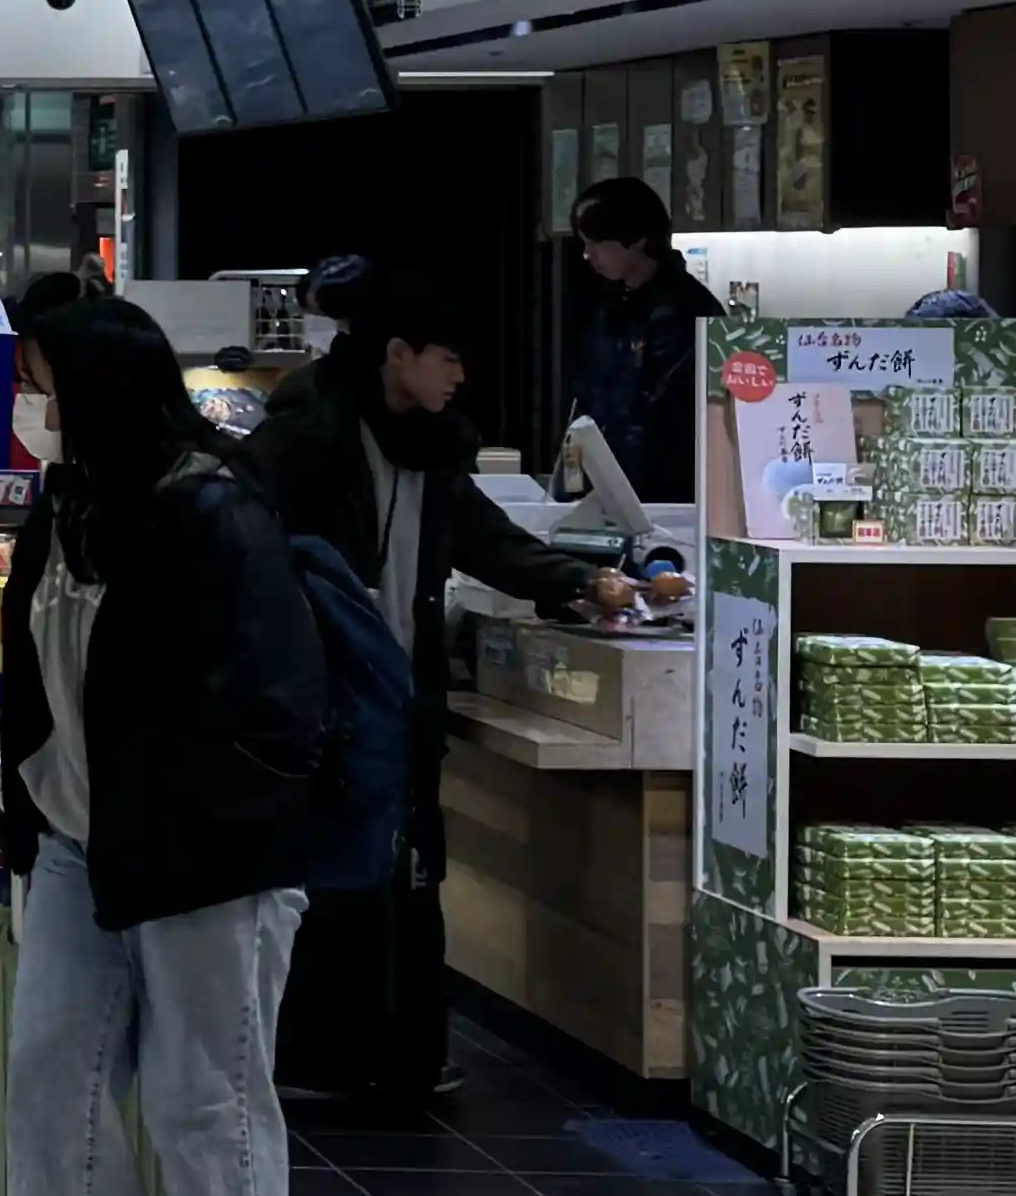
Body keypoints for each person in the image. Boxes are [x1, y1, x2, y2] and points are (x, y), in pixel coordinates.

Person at [0, 285, 329, 1196]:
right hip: (83, 836)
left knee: (204, 1092)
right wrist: (30, 803)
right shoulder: (68, 503)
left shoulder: (217, 512)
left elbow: (277, 702)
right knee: (51, 1071)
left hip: (205, 854)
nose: (29, 400)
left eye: (41, 379)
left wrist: (215, 819)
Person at [241, 264, 637, 1112]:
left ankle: (401, 1055)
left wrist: (576, 578)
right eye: (447, 357)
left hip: (396, 692)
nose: (459, 376)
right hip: (324, 697)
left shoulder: (427, 443)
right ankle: (318, 1055)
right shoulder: (303, 439)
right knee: (338, 874)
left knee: (407, 871)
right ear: (397, 354)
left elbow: (482, 538)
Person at [563, 177, 716, 506]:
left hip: (663, 492)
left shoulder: (685, 310)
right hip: (608, 484)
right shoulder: (613, 304)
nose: (588, 255)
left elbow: (662, 417)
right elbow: (589, 395)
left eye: (598, 243)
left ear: (635, 238)